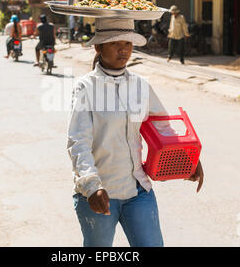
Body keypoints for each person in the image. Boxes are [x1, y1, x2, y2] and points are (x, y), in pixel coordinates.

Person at [68, 18, 204, 247]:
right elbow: (78, 141)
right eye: (115, 43)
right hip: (99, 194)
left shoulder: (140, 85)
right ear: (98, 47)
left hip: (138, 191)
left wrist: (188, 160)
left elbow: (164, 128)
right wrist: (92, 187)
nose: (123, 49)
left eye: (128, 43)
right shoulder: (86, 87)